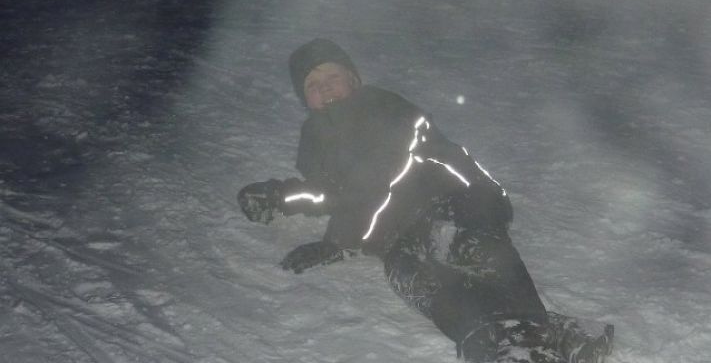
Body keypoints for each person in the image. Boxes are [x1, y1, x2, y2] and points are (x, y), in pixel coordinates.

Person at [238, 38, 613, 363]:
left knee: (474, 249)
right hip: (395, 235)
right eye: (313, 85)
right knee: (417, 280)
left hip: (447, 200)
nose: (326, 88)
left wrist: (339, 239)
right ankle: (540, 337)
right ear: (305, 99)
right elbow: (327, 192)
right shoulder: (314, 139)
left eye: (332, 77)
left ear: (354, 79)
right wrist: (278, 196)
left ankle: (523, 346)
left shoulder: (381, 107)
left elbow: (384, 173)